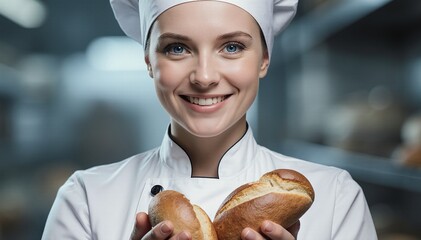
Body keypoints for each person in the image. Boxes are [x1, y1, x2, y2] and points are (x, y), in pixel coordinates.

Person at [42, 0, 378, 239]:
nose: (204, 77)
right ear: (148, 61)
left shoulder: (336, 198)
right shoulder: (86, 199)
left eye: (231, 47)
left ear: (263, 59)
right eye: (177, 48)